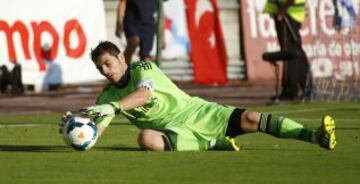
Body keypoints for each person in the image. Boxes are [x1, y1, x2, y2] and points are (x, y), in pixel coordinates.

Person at [59, 41, 336, 151]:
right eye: (99, 68)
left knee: (252, 118)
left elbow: (143, 95)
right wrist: (79, 127)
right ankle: (214, 144)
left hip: (197, 112)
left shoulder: (144, 67)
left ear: (121, 57)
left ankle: (314, 136)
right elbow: (96, 133)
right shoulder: (107, 95)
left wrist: (113, 107)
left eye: (108, 63)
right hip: (172, 131)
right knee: (146, 139)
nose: (105, 71)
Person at [263, 0, 312, 101]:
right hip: (290, 13)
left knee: (290, 53)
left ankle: (291, 90)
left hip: (287, 14)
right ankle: (306, 88)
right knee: (296, 52)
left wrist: (282, 10)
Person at [115, 0, 157, 65]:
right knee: (134, 41)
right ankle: (124, 67)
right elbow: (122, 3)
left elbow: (161, 8)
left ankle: (143, 73)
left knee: (145, 55)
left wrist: (162, 35)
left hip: (149, 24)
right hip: (131, 21)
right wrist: (119, 22)